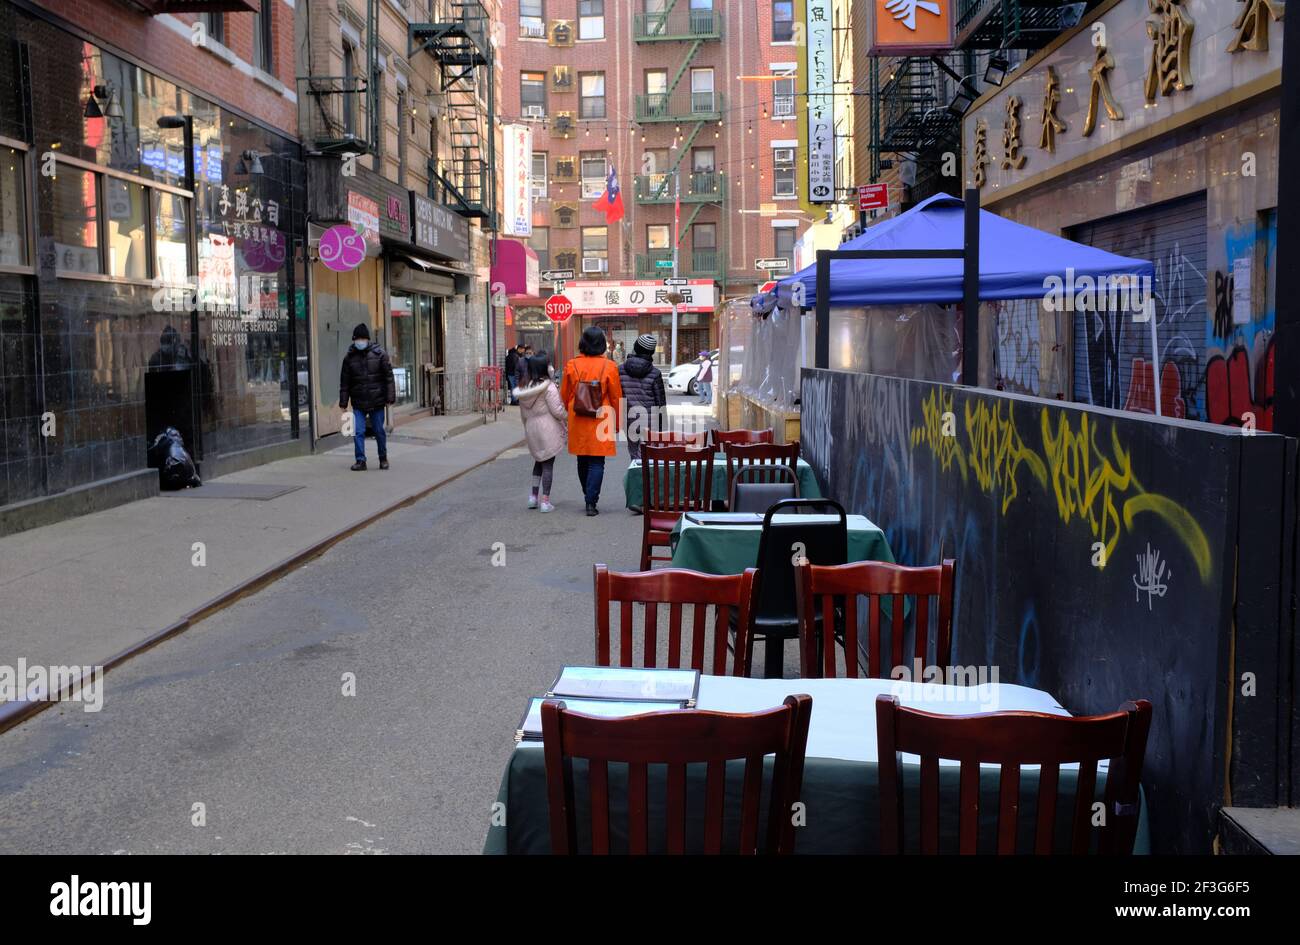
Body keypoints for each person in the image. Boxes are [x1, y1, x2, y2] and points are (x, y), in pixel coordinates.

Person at [561, 325, 624, 516]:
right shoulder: (610, 366)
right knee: (597, 462)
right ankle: (591, 501)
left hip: (578, 416)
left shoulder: (572, 364)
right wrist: (618, 423)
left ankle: (587, 494)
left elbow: (563, 394)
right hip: (601, 417)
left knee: (582, 459)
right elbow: (616, 397)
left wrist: (569, 408)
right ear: (601, 345)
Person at [339, 322, 396, 471]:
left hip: (377, 401)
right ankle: (360, 460)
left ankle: (383, 458)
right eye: (357, 339)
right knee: (358, 431)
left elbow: (389, 378)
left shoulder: (380, 355)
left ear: (367, 339)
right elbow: (344, 382)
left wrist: (390, 398)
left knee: (378, 431)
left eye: (362, 339)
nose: (359, 342)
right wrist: (343, 403)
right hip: (358, 401)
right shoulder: (349, 358)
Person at [515, 352, 566, 513]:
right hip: (547, 427)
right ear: (545, 368)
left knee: (538, 461)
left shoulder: (525, 387)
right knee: (548, 464)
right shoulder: (549, 387)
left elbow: (523, 414)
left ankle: (533, 497)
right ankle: (545, 501)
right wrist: (567, 416)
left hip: (531, 427)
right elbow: (557, 411)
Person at [619, 333, 666, 463]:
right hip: (650, 422)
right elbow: (660, 402)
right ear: (651, 352)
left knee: (634, 456)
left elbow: (619, 395)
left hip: (629, 420)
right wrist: (661, 428)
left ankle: (636, 480)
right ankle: (645, 482)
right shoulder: (655, 373)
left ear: (635, 347)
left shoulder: (620, 370)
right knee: (648, 457)